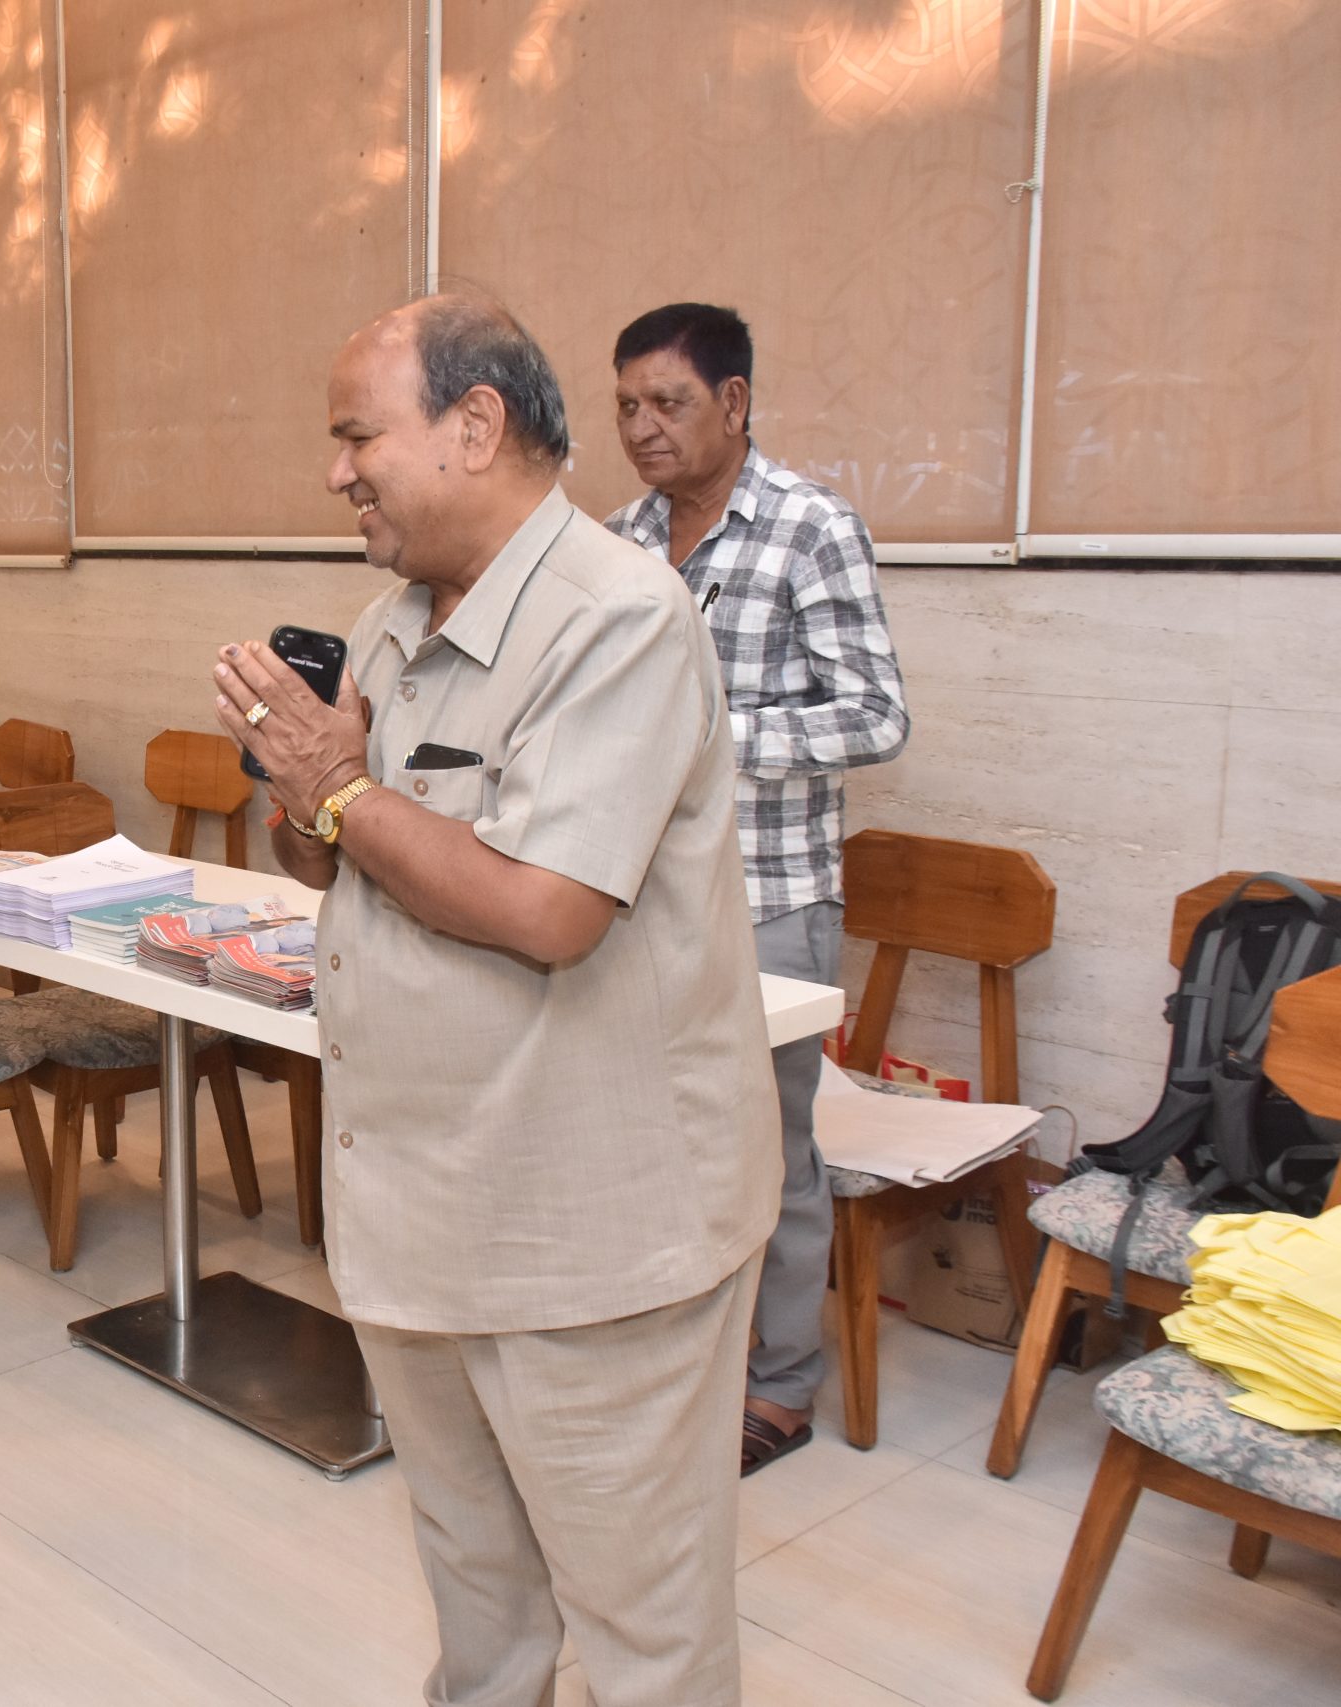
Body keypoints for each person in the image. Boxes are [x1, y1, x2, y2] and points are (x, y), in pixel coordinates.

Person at [215, 296, 779, 1707]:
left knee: (644, 1624)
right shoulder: (388, 620)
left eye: (358, 437)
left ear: (475, 426)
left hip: (586, 1230)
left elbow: (545, 911)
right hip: (420, 1205)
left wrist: (340, 788)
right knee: (478, 1587)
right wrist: (305, 794)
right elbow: (336, 854)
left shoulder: (618, 619)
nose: (337, 472)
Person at [605, 302, 911, 1474]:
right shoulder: (618, 539)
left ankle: (778, 1385)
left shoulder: (809, 527)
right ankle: (670, 1359)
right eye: (626, 405)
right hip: (633, 896)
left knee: (769, 1151)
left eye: (668, 402)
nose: (643, 426)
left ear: (733, 402)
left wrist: (715, 737)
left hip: (769, 895)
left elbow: (875, 715)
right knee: (648, 1140)